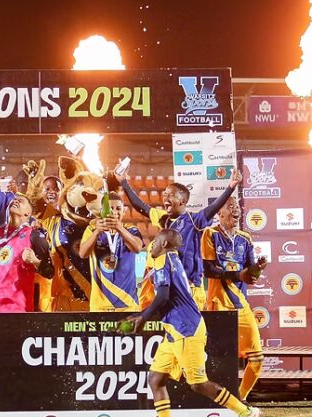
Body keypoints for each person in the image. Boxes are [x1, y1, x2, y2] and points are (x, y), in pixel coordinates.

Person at [124, 229, 261, 417]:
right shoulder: (173, 260)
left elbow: (163, 296)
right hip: (174, 330)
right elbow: (167, 298)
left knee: (198, 384)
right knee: (156, 379)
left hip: (186, 329)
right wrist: (144, 316)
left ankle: (246, 413)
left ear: (165, 243)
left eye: (156, 241)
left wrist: (143, 317)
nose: (152, 245)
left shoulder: (162, 260)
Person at [119, 164, 242, 309]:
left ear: (182, 201)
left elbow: (213, 207)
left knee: (192, 323)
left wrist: (231, 187)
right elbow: (140, 206)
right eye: (165, 194)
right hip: (170, 288)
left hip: (190, 288)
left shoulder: (194, 220)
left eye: (171, 195)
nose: (165, 197)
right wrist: (123, 182)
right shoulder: (163, 218)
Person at [202, 196, 267, 401]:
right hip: (218, 305)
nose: (235, 210)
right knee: (217, 361)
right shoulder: (210, 234)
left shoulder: (245, 238)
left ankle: (240, 399)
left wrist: (257, 269)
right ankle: (213, 403)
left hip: (240, 306)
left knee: (257, 358)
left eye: (237, 206)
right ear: (219, 213)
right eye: (230, 207)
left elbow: (250, 273)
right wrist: (238, 275)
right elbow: (208, 270)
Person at [79, 192, 144, 311]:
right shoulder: (92, 230)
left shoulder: (131, 230)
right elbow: (83, 254)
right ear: (102, 211)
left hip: (127, 303)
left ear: (124, 211)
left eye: (118, 208)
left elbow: (137, 248)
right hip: (100, 305)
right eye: (110, 208)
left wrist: (119, 228)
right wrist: (97, 232)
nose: (114, 212)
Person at [0, 195, 54, 313]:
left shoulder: (34, 235)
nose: (15, 201)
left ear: (28, 213)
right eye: (14, 200)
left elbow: (50, 272)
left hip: (19, 308)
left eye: (21, 201)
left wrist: (35, 261)